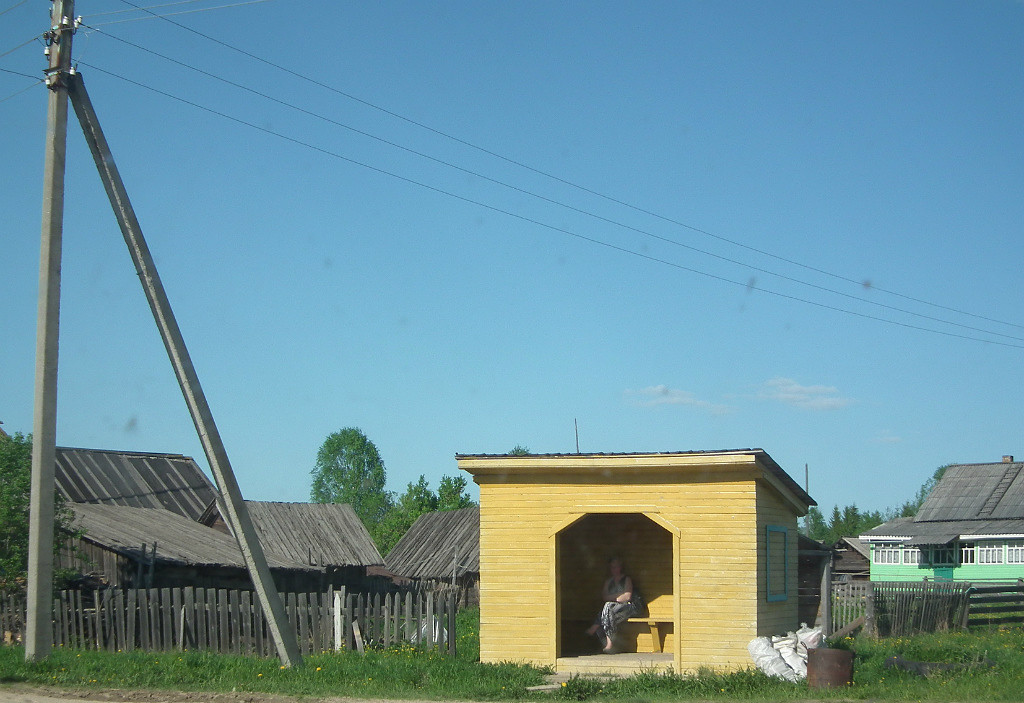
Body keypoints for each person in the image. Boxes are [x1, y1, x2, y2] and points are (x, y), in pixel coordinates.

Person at [584, 557, 641, 653]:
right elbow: (605, 596)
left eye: (616, 567)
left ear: (621, 567)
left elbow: (627, 597)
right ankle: (609, 643)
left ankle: (599, 631)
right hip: (614, 609)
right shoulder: (608, 582)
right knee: (608, 610)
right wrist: (618, 597)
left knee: (607, 608)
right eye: (612, 567)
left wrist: (614, 598)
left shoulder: (626, 579)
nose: (614, 569)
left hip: (629, 607)